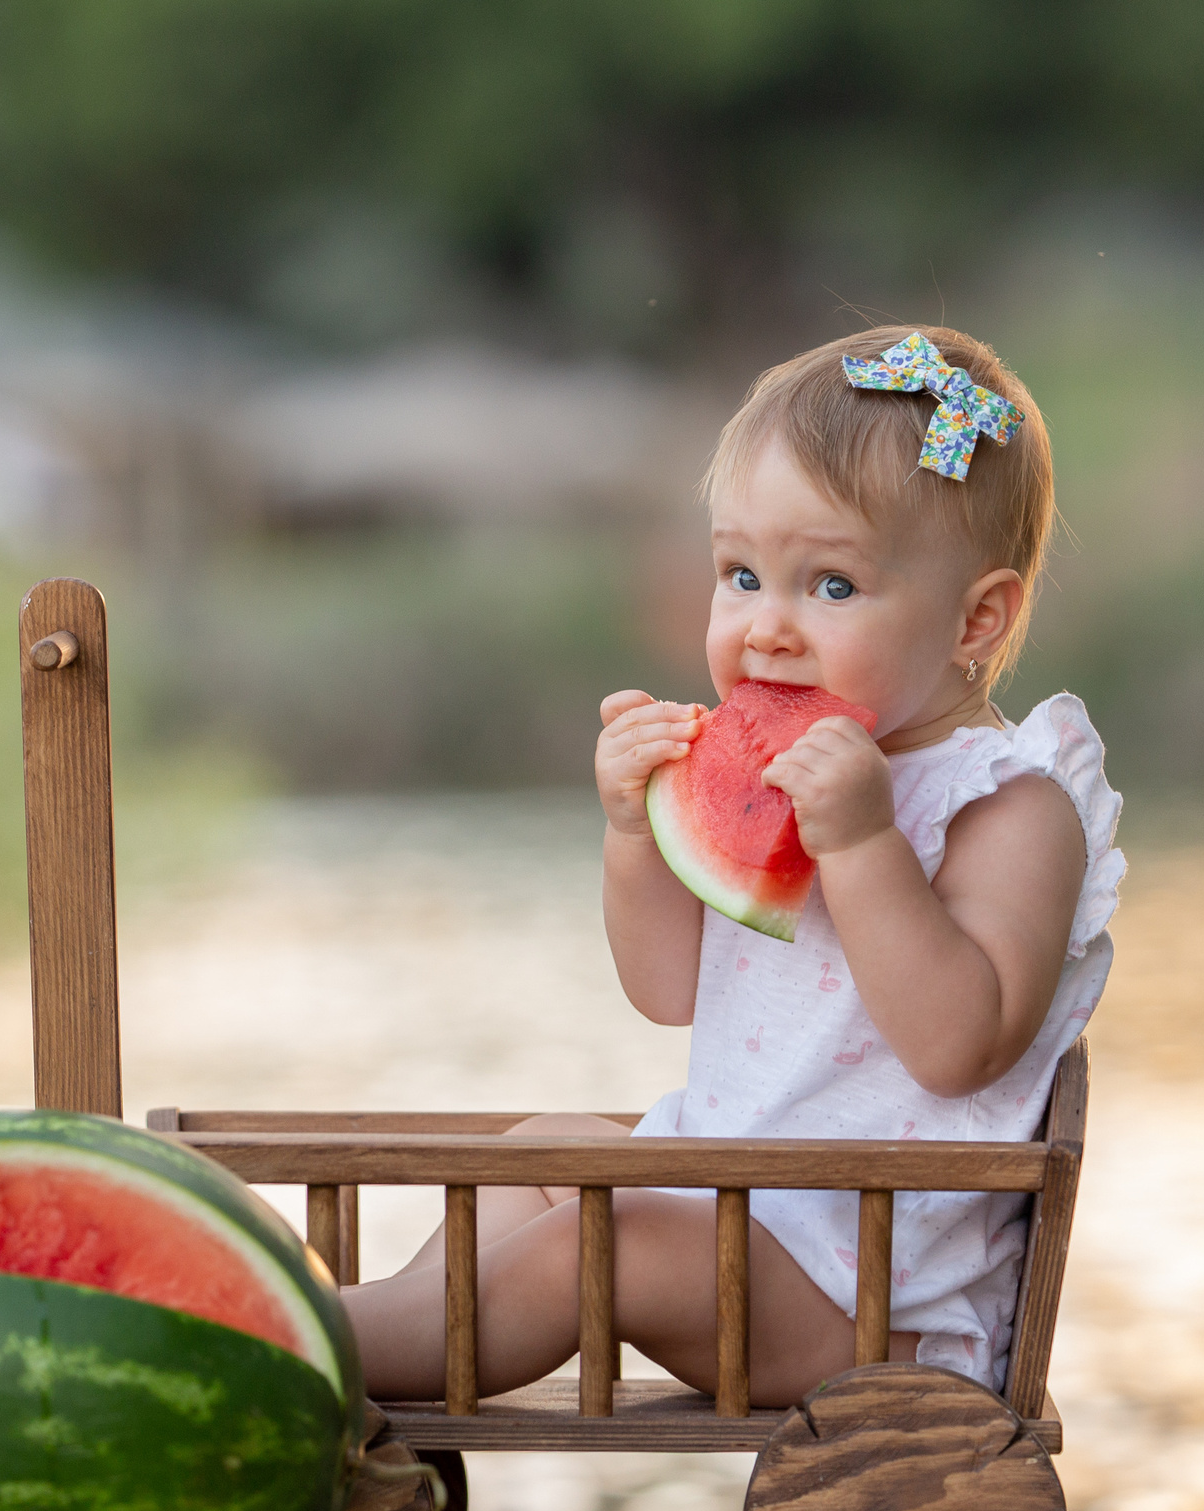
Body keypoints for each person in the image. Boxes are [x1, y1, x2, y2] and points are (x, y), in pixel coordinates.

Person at [342, 326, 1124, 1406]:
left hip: (863, 1298)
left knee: (594, 1245)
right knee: (531, 1154)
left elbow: (955, 1045)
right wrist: (635, 836)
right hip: (729, 1207)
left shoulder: (1015, 805)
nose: (767, 628)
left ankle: (301, 1342)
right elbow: (665, 993)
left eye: (832, 586)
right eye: (742, 574)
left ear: (974, 618)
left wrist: (859, 844)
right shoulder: (774, 766)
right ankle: (390, 1371)